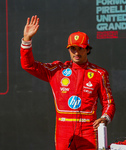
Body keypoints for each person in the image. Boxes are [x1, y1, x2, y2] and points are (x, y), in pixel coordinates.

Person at [20, 15, 115, 150]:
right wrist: (27, 39)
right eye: (73, 49)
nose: (76, 52)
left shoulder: (99, 73)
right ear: (69, 50)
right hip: (63, 131)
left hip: (89, 129)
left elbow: (109, 103)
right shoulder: (57, 70)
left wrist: (105, 118)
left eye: (80, 48)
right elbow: (28, 65)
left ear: (88, 49)